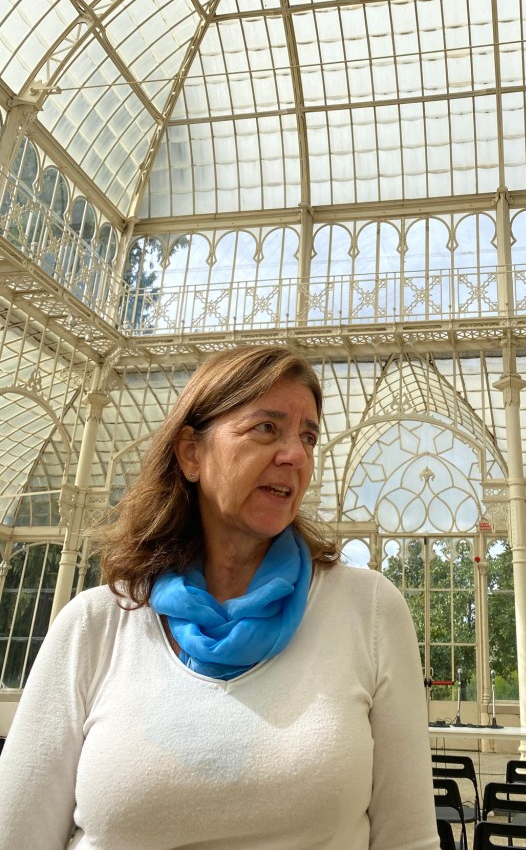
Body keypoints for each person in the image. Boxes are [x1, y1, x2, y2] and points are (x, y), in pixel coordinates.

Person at [0, 345, 440, 850]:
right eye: (266, 428)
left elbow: (409, 840)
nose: (296, 455)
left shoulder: (368, 610)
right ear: (192, 453)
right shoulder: (96, 624)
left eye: (308, 437)